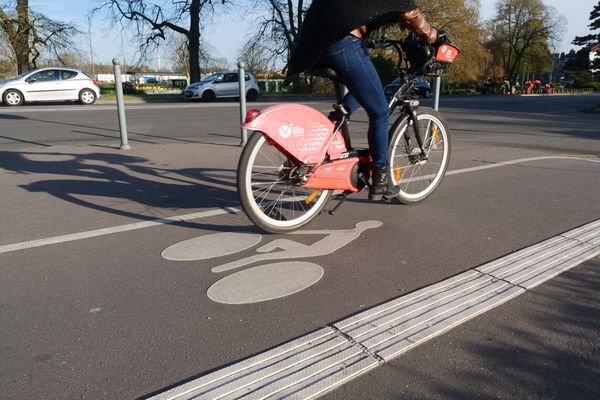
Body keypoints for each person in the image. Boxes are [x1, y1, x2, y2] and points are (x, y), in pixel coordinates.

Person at [286, 0, 438, 201]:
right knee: (380, 112)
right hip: (342, 44)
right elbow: (410, 12)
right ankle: (380, 179)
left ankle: (336, 122)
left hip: (315, 48)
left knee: (365, 86)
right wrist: (431, 34)